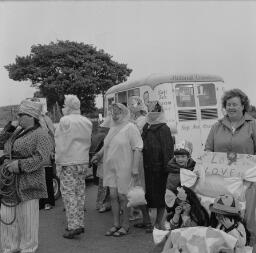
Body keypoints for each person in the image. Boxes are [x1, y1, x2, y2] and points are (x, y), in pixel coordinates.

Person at [0, 98, 52, 253]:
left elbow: (42, 157)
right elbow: (1, 142)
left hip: (29, 181)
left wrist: (20, 165)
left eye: (20, 114)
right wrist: (10, 128)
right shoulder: (17, 131)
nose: (18, 117)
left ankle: (28, 249)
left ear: (30, 116)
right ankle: (9, 247)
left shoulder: (41, 134)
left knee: (27, 220)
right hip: (9, 182)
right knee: (7, 216)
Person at [205, 88, 256, 245]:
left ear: (243, 106)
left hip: (248, 182)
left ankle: (250, 245)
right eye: (228, 104)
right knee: (223, 215)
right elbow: (208, 149)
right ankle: (224, 246)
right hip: (222, 181)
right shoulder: (216, 126)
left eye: (235, 104)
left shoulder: (253, 125)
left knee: (248, 218)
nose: (231, 107)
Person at [91, 103, 143, 237]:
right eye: (112, 111)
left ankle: (125, 225)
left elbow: (137, 148)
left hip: (125, 166)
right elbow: (107, 144)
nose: (114, 114)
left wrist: (135, 168)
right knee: (113, 196)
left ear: (124, 112)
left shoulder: (130, 127)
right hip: (110, 167)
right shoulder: (113, 128)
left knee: (123, 196)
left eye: (117, 111)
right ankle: (116, 224)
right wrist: (98, 155)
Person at [55, 94, 92, 239]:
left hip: (68, 161)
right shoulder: (87, 121)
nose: (63, 107)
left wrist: (58, 162)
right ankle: (79, 223)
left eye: (64, 105)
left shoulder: (65, 121)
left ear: (68, 106)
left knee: (69, 194)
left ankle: (73, 226)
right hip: (82, 161)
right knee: (80, 193)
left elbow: (59, 143)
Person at [135, 101, 174, 232]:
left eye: (155, 111)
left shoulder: (164, 128)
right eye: (150, 111)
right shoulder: (146, 126)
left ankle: (158, 223)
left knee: (160, 196)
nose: (152, 114)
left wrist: (166, 168)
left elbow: (167, 150)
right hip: (145, 167)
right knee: (147, 195)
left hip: (159, 169)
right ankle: (148, 221)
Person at [38, 101, 56, 210]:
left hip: (46, 152)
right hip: (36, 154)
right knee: (38, 180)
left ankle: (48, 201)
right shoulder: (32, 119)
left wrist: (53, 150)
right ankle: (40, 203)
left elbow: (53, 134)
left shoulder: (45, 119)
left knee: (47, 178)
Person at [92, 115, 111, 213]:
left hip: (108, 164)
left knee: (106, 186)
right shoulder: (106, 137)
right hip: (104, 164)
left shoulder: (109, 136)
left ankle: (104, 204)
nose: (104, 129)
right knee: (104, 186)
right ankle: (103, 204)